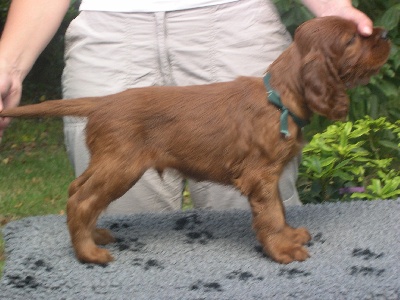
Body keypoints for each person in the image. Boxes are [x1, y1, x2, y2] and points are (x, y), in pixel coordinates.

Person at [0, 0, 372, 214]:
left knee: (257, 218)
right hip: (111, 38)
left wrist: (333, 7)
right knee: (115, 216)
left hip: (233, 27)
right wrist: (8, 64)